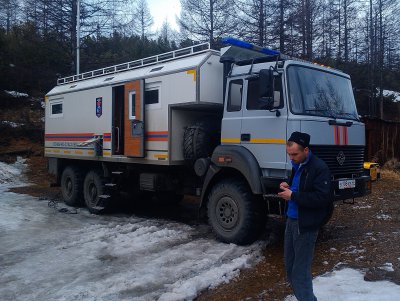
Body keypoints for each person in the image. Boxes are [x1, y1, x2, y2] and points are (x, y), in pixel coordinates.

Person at [278, 131, 333, 301]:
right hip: (292, 221)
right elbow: (301, 187)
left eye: (294, 154)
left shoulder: (319, 168)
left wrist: (293, 196)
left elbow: (323, 198)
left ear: (306, 150)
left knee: (300, 272)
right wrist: (289, 186)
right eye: (289, 154)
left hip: (306, 226)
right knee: (290, 268)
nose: (291, 158)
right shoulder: (298, 165)